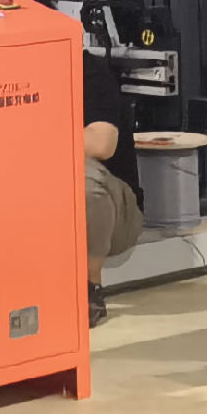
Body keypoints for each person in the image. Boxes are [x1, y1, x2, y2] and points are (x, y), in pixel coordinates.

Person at [78, 116, 141, 320]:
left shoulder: (94, 92)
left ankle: (91, 286)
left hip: (119, 208)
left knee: (82, 178)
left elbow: (102, 144)